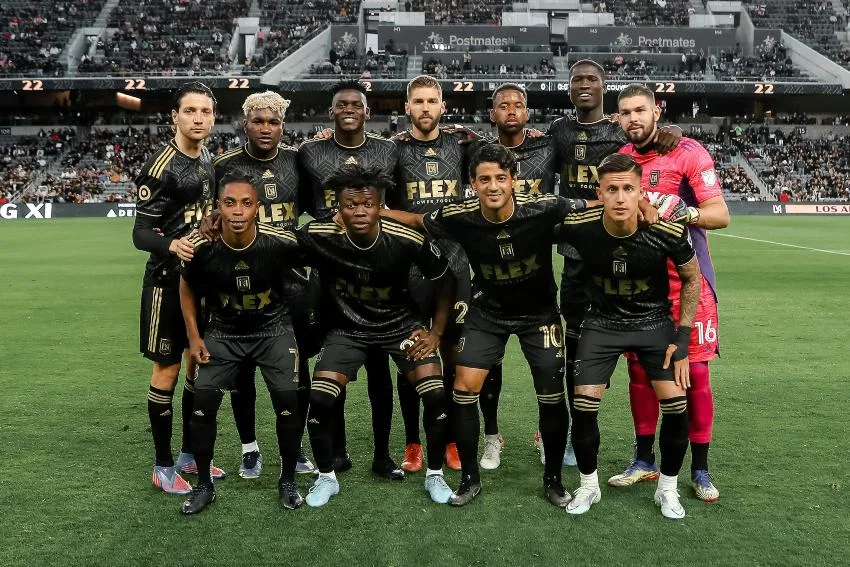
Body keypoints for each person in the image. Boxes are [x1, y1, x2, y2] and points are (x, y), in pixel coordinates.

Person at [382, 144, 590, 508]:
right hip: (487, 314)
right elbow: (418, 220)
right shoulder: (459, 215)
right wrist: (378, 212)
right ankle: (469, 480)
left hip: (538, 314)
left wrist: (646, 207)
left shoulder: (543, 207)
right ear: (472, 184)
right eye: (484, 180)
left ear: (513, 181)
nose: (493, 186)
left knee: (551, 392)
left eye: (500, 178)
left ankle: (553, 481)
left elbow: (591, 207)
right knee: (464, 386)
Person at [554, 153, 702, 520]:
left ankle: (666, 489)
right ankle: (589, 486)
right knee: (584, 407)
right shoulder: (578, 225)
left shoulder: (666, 230)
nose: (621, 197)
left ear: (641, 193)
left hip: (653, 323)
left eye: (628, 189)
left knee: (676, 406)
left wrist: (681, 339)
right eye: (612, 189)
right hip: (601, 323)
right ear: (599, 193)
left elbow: (692, 278)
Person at [299, 165, 456, 507]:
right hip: (348, 330)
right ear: (337, 206)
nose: (359, 211)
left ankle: (435, 475)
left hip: (400, 326)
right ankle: (327, 478)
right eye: (350, 204)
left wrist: (436, 333)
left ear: (379, 205)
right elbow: (276, 243)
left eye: (367, 204)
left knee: (435, 395)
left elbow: (445, 278)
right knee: (320, 398)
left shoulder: (405, 238)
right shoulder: (321, 234)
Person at [609, 83, 730, 502]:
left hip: (688, 286)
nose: (632, 119)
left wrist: (684, 210)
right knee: (640, 373)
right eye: (624, 113)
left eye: (639, 110)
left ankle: (700, 468)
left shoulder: (689, 153)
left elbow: (720, 214)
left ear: (656, 111)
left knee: (694, 375)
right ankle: (644, 461)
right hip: (641, 290)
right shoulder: (621, 161)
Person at [179, 171, 307, 514]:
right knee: (202, 403)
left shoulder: (280, 243)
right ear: (217, 208)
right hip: (223, 332)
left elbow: (309, 276)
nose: (237, 211)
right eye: (229, 203)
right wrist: (194, 338)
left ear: (258, 209)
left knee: (287, 402)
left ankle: (288, 481)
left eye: (246, 204)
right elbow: (186, 287)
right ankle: (204, 486)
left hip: (273, 329)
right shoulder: (203, 247)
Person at [297, 80, 402, 479]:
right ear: (331, 111)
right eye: (341, 104)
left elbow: (394, 202)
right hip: (327, 271)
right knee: (332, 364)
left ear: (366, 109)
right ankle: (336, 452)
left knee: (379, 369)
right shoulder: (310, 152)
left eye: (355, 104)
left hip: (375, 267)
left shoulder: (387, 149)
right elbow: (303, 202)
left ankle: (382, 455)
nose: (348, 109)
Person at [209, 91, 315, 478]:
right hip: (235, 282)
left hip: (290, 284)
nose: (265, 128)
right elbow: (209, 216)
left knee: (295, 370)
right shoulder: (223, 165)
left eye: (273, 122)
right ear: (245, 123)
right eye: (258, 121)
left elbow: (317, 209)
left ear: (283, 125)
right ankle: (249, 447)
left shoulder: (298, 161)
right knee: (241, 372)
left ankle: (295, 443)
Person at [131, 81, 224, 494]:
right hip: (166, 285)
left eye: (205, 111)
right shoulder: (160, 165)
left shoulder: (207, 157)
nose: (199, 118)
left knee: (197, 364)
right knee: (166, 369)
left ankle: (189, 454)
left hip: (202, 283)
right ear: (175, 116)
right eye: (190, 111)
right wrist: (172, 243)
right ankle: (163, 464)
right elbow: (138, 233)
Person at [475, 82, 563, 469]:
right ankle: (492, 438)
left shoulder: (549, 145)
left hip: (535, 270)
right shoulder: (474, 151)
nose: (511, 110)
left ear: (528, 112)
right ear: (492, 114)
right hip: (488, 271)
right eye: (503, 105)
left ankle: (546, 435)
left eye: (518, 105)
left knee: (545, 369)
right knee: (487, 367)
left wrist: (674, 132)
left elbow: (591, 140)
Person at [389, 75, 472, 474]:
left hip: (455, 264)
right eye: (418, 101)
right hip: (410, 268)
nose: (425, 107)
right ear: (407, 107)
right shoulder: (393, 151)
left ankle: (453, 439)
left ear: (443, 106)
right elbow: (380, 206)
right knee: (412, 355)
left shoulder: (464, 144)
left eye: (432, 100)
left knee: (455, 355)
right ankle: (412, 442)